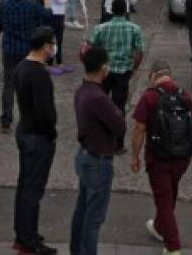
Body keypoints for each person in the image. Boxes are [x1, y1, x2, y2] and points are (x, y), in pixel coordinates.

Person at [131, 60, 192, 255]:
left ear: (153, 75)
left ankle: (173, 247)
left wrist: (135, 156)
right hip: (182, 157)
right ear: (170, 74)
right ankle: (160, 228)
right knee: (170, 192)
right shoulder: (184, 95)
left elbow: (139, 129)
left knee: (163, 200)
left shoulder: (149, 97)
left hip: (159, 158)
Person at [70, 46, 126, 255]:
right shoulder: (98, 98)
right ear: (103, 68)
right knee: (93, 219)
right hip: (98, 160)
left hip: (85, 155)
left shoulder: (82, 91)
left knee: (82, 210)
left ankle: (76, 250)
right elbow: (120, 126)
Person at [12, 27, 59, 255]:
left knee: (25, 187)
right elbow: (44, 112)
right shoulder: (38, 73)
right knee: (33, 190)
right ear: (44, 47)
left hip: (25, 131)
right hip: (37, 137)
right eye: (52, 44)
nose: (54, 48)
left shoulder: (22, 66)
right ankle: (30, 240)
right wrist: (51, 132)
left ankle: (23, 234)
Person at [0, 0, 53, 133]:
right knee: (28, 85)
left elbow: (0, 22)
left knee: (8, 84)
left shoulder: (4, 6)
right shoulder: (32, 6)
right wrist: (46, 0)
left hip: (9, 48)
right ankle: (28, 118)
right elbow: (48, 16)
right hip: (27, 49)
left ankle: (6, 120)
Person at [88, 0, 143, 152]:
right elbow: (139, 52)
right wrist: (133, 68)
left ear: (111, 10)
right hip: (123, 72)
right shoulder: (134, 29)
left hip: (103, 73)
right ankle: (118, 144)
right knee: (118, 108)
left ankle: (100, 139)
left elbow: (90, 47)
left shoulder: (101, 28)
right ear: (125, 10)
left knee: (100, 105)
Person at [45, 0, 71, 76]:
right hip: (54, 15)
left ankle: (59, 61)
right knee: (52, 39)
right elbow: (60, 0)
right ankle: (49, 63)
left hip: (60, 15)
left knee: (59, 39)